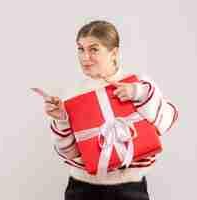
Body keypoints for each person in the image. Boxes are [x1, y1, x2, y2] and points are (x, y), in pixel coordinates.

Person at [43, 20, 178, 200]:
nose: (85, 57)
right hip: (82, 189)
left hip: (130, 190)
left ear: (114, 53)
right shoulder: (71, 95)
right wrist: (61, 119)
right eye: (80, 49)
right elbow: (68, 152)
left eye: (94, 49)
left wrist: (138, 94)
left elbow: (167, 121)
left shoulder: (137, 84)